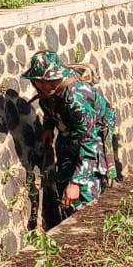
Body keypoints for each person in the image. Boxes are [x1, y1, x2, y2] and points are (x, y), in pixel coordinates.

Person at [22, 51, 117, 214]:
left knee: (86, 198)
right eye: (41, 81)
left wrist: (77, 182)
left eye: (51, 80)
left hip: (92, 137)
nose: (46, 85)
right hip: (69, 137)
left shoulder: (76, 97)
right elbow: (50, 111)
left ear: (59, 75)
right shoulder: (47, 93)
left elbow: (89, 141)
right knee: (64, 183)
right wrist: (48, 128)